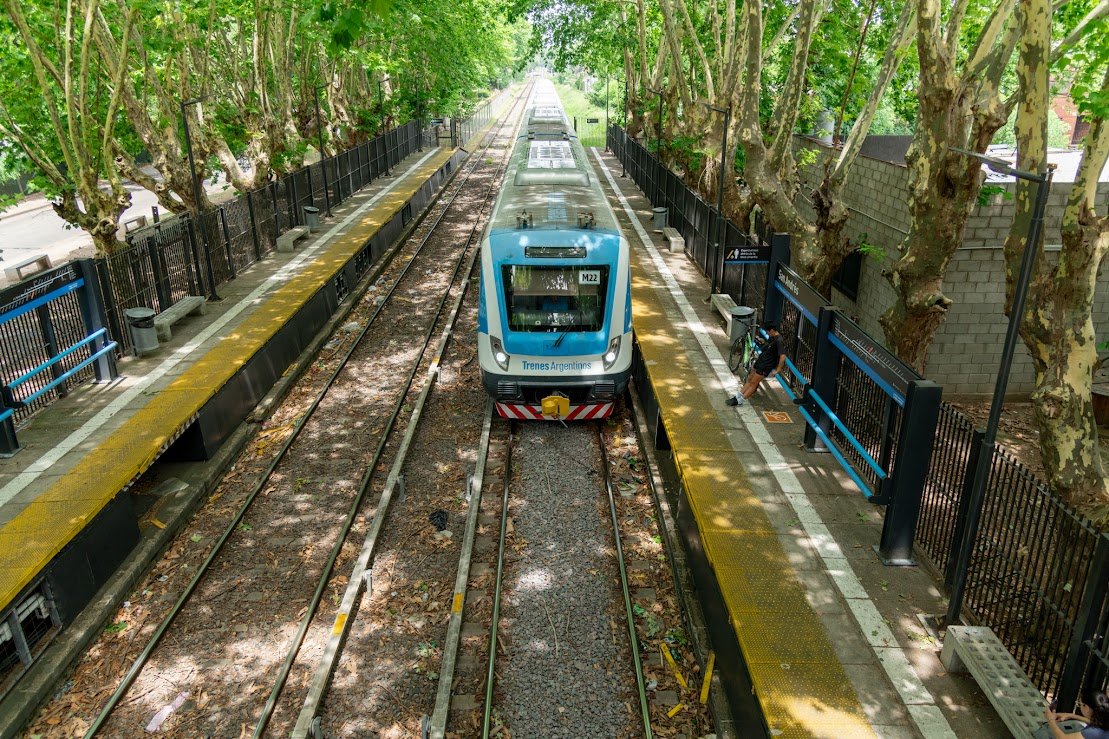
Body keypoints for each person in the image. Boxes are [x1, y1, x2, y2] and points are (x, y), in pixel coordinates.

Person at [726, 320, 786, 406]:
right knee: (750, 379)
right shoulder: (772, 338)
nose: (767, 333)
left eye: (767, 331)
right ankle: (738, 396)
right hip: (761, 361)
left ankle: (740, 400)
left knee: (754, 382)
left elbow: (783, 356)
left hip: (766, 365)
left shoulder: (779, 340)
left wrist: (777, 370)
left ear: (772, 330)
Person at [1044, 689, 1109, 738]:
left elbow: (1063, 737)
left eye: (1079, 704)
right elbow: (1095, 723)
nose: (1079, 706)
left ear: (1087, 708)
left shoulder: (1091, 732)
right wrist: (1070, 715)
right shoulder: (1104, 720)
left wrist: (1051, 720)